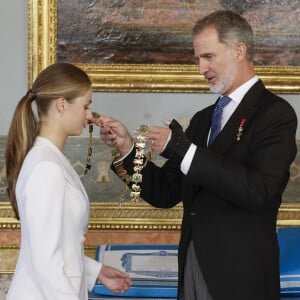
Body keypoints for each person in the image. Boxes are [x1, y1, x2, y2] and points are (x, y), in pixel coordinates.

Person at [93, 10, 298, 300]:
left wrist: (183, 150)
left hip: (241, 277)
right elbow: (164, 193)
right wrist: (127, 148)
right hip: (191, 266)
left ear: (239, 50)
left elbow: (259, 190)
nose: (201, 68)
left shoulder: (275, 113)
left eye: (208, 57)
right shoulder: (203, 120)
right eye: (198, 59)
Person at [5, 62, 132, 300]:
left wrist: (96, 271)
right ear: (62, 105)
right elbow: (45, 260)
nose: (88, 115)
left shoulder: (51, 159)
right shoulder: (46, 167)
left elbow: (57, 247)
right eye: (86, 106)